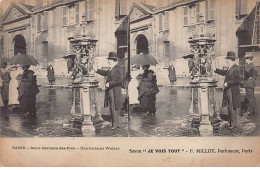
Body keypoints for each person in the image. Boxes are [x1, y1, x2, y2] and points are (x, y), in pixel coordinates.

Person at [96, 52, 124, 130]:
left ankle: (116, 125)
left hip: (115, 90)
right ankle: (113, 122)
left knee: (114, 106)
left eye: (109, 59)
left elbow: (121, 80)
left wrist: (110, 83)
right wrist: (97, 70)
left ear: (113, 60)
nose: (108, 61)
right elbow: (105, 73)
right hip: (111, 90)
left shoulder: (118, 68)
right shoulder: (112, 68)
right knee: (111, 106)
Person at [214, 51, 241, 128]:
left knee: (232, 106)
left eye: (227, 59)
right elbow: (224, 72)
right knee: (229, 106)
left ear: (231, 60)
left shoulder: (236, 68)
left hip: (233, 90)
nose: (226, 60)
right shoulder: (230, 67)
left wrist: (228, 83)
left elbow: (238, 80)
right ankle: (231, 122)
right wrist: (215, 70)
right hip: (228, 90)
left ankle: (234, 124)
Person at [243, 53, 257, 118]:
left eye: (246, 59)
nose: (245, 60)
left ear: (249, 59)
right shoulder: (252, 65)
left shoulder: (250, 65)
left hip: (249, 84)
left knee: (250, 98)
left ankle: (250, 112)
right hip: (250, 84)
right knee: (250, 97)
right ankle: (253, 111)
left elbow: (247, 72)